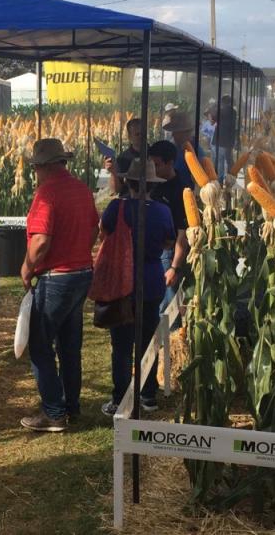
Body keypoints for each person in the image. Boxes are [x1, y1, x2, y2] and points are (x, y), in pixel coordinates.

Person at [20, 138, 99, 432]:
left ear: (45, 167)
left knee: (40, 345)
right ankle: (72, 406)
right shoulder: (81, 189)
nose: (36, 173)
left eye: (37, 167)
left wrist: (27, 268)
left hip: (57, 278)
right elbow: (93, 228)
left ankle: (54, 412)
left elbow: (41, 241)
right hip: (81, 274)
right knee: (69, 345)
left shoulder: (46, 194)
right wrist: (78, 252)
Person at [99, 158, 175, 415]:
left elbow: (104, 233)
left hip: (123, 280)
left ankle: (120, 397)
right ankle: (148, 394)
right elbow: (168, 241)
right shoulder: (163, 210)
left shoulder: (116, 208)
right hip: (152, 278)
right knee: (147, 340)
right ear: (152, 185)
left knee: (121, 344)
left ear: (128, 182)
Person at [145, 140, 191, 313]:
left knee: (167, 305)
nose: (153, 169)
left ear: (170, 163)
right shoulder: (152, 182)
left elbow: (182, 233)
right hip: (152, 251)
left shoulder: (181, 191)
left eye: (157, 165)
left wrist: (174, 267)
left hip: (168, 254)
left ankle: (171, 337)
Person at [105, 117, 144, 196]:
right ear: (130, 137)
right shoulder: (123, 158)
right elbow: (117, 190)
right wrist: (113, 172)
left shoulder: (154, 154)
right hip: (129, 202)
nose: (141, 137)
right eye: (137, 134)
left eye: (143, 133)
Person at [214, 95, 239, 180]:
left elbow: (212, 119)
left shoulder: (220, 111)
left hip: (219, 139)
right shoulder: (234, 112)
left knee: (220, 162)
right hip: (229, 140)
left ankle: (220, 181)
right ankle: (231, 179)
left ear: (223, 102)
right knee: (229, 161)